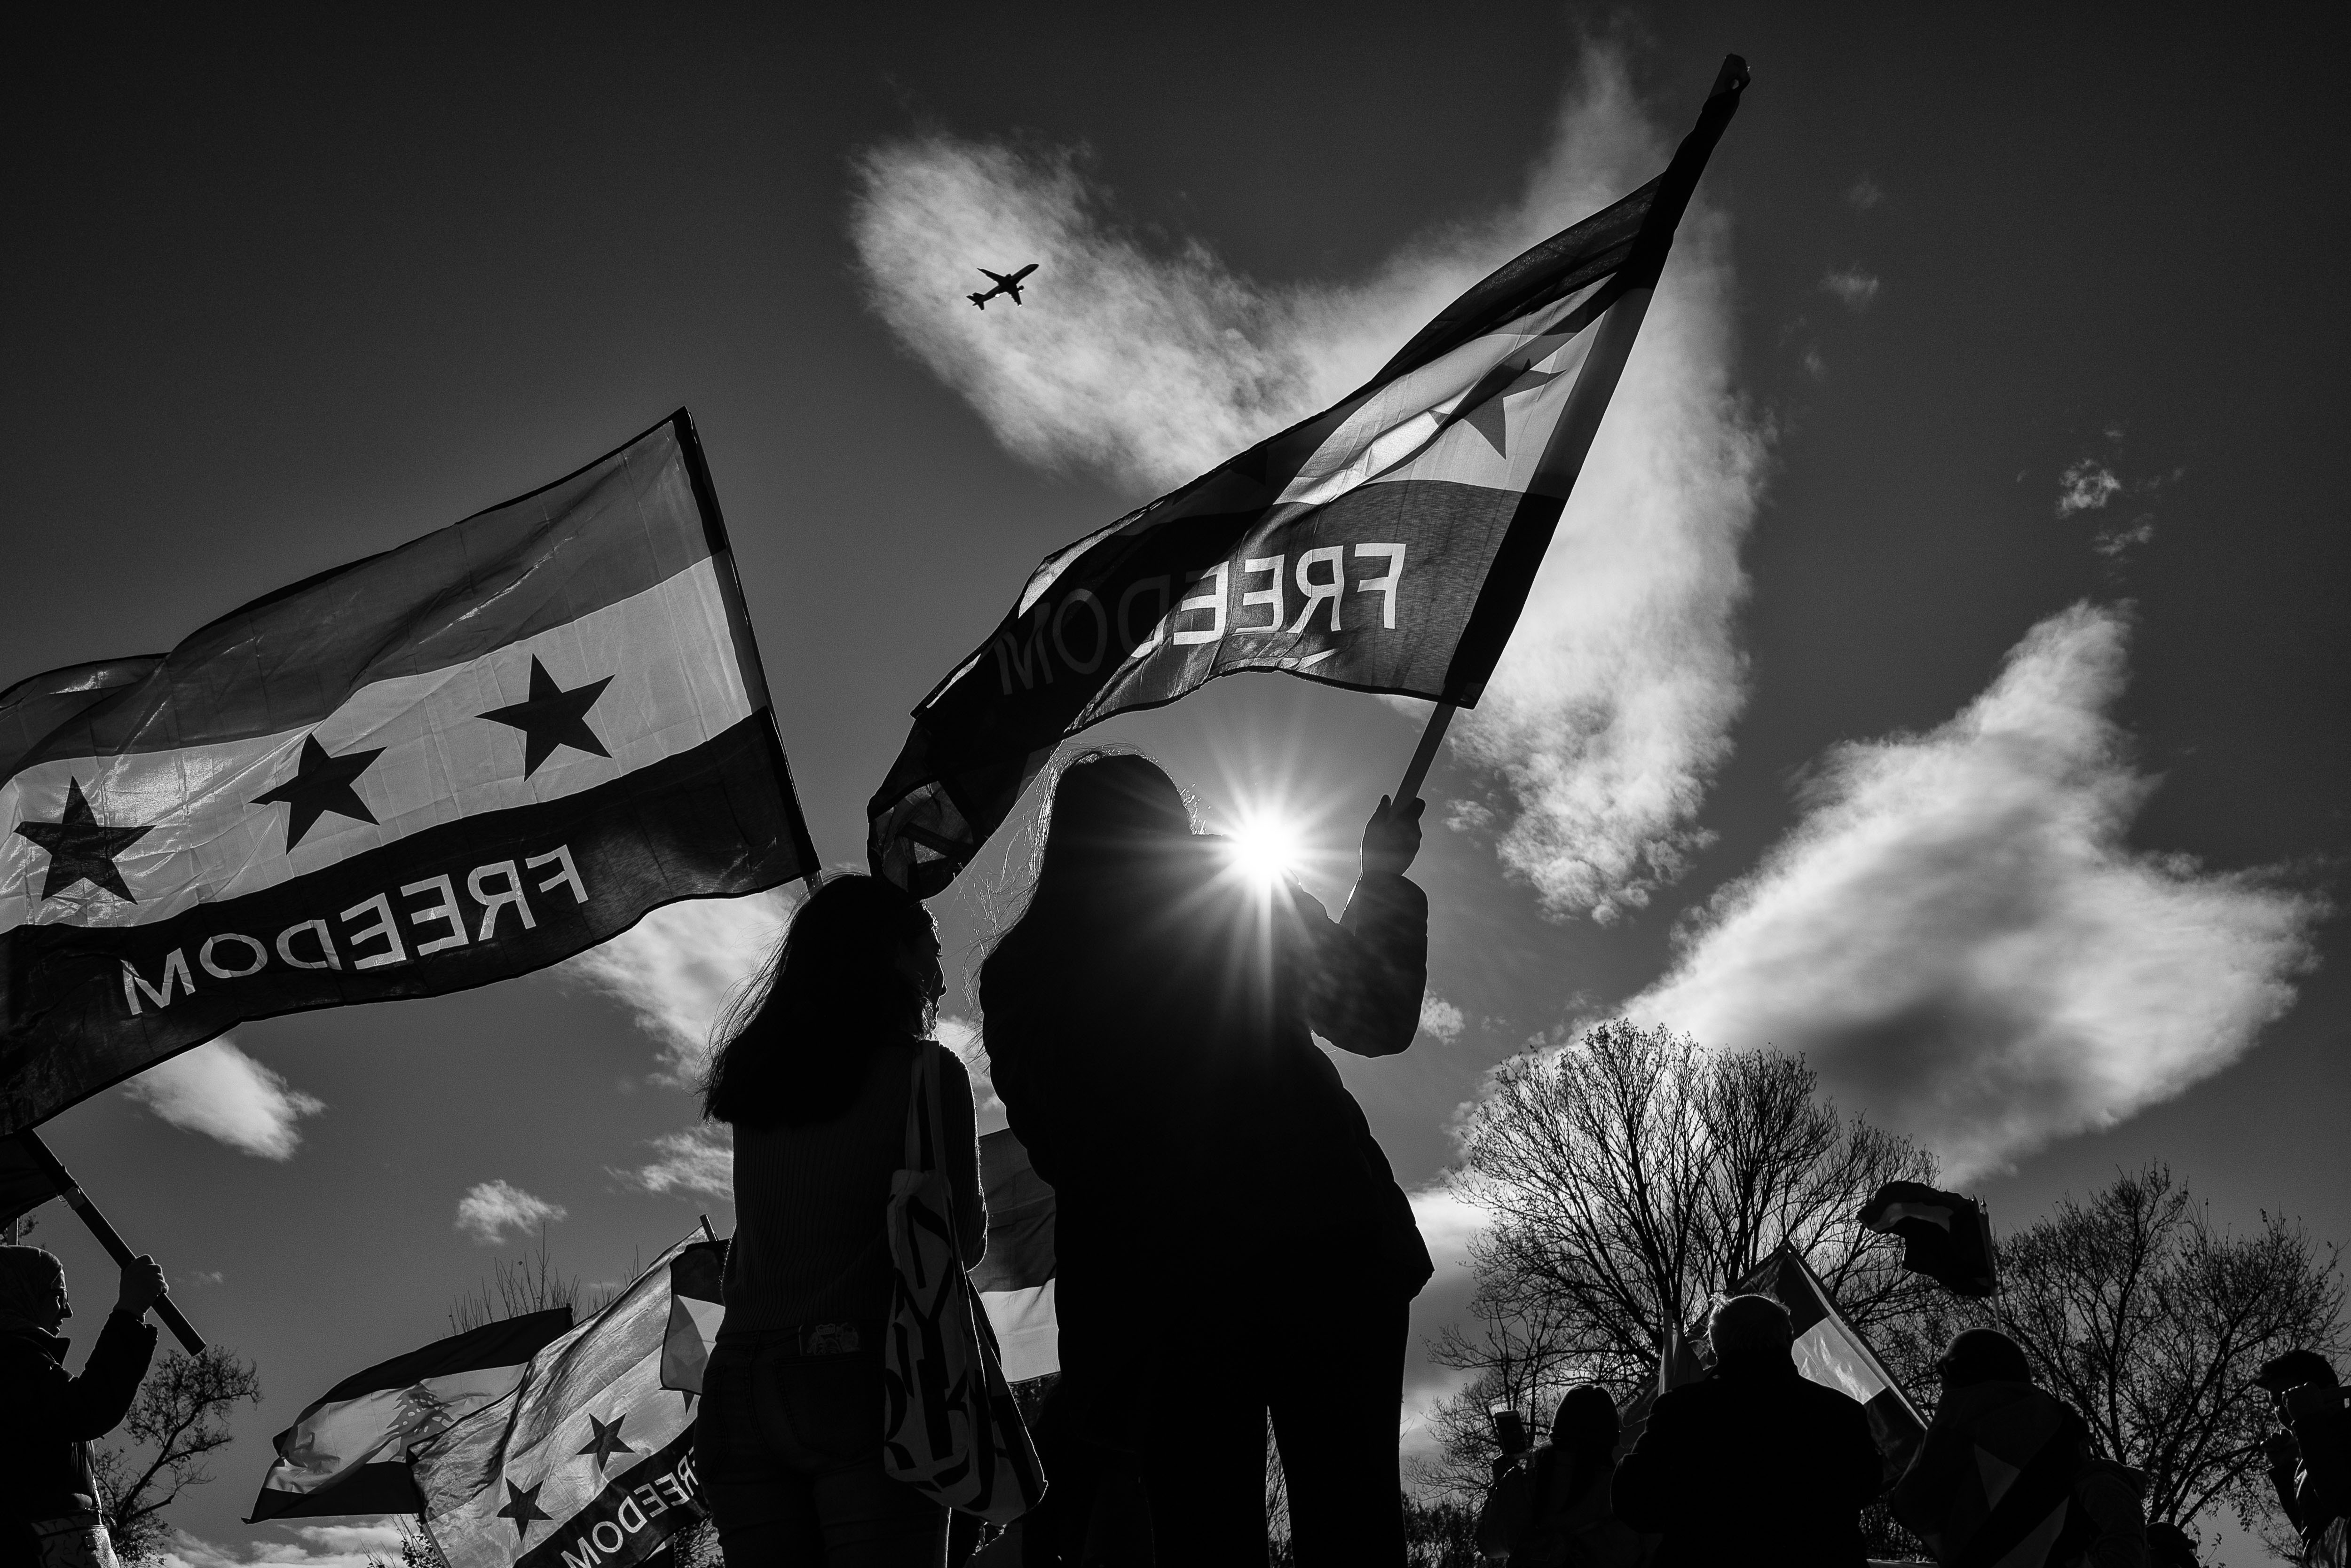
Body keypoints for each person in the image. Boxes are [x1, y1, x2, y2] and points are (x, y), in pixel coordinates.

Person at [978, 751, 1430, 1567]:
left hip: (1161, 1294)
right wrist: (1381, 879)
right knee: (1354, 1526)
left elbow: (1058, 1147)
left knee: (1205, 1541)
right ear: (1171, 821)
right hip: (1326, 1250)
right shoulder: (1236, 886)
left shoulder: (1025, 971)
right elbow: (1376, 1014)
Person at [692, 875, 985, 1568]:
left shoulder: (760, 1080)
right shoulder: (927, 1074)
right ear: (891, 955)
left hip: (737, 1382)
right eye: (930, 947)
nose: (940, 970)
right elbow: (963, 1242)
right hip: (865, 1378)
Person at [1613, 1293, 1882, 1567]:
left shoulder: (1681, 1412)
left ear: (1717, 1348)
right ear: (1788, 1339)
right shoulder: (1841, 1414)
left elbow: (1634, 1501)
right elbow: (1866, 1487)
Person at [1892, 1328, 2148, 1568]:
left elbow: (2125, 1559)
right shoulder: (2018, 1464)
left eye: (1952, 1394)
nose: (1945, 1404)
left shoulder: (2095, 1484)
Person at [0, 1245, 168, 1568]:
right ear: (23, 1292)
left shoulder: (22, 1363)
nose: (67, 1311)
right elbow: (88, 1407)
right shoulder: (10, 1362)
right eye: (58, 1295)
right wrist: (130, 1312)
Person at [1475, 1385, 1641, 1568]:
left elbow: (1488, 1545)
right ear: (1611, 1441)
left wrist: (1499, 1484)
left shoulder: (1522, 1487)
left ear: (1555, 1436)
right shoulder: (1630, 1493)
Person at [2257, 1349, 2349, 1568]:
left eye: (2289, 1397)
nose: (2283, 1410)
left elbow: (2342, 1498)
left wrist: (2308, 1424)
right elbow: (2314, 1537)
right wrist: (2284, 1468)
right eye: (2276, 1404)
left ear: (2329, 1393)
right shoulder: (2310, 1457)